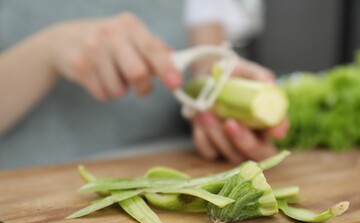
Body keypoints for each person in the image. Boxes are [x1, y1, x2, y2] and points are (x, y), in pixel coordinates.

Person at [0, 0, 288, 168]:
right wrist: (48, 50)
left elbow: (205, 65)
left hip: (168, 167)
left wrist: (219, 97)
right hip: (24, 190)